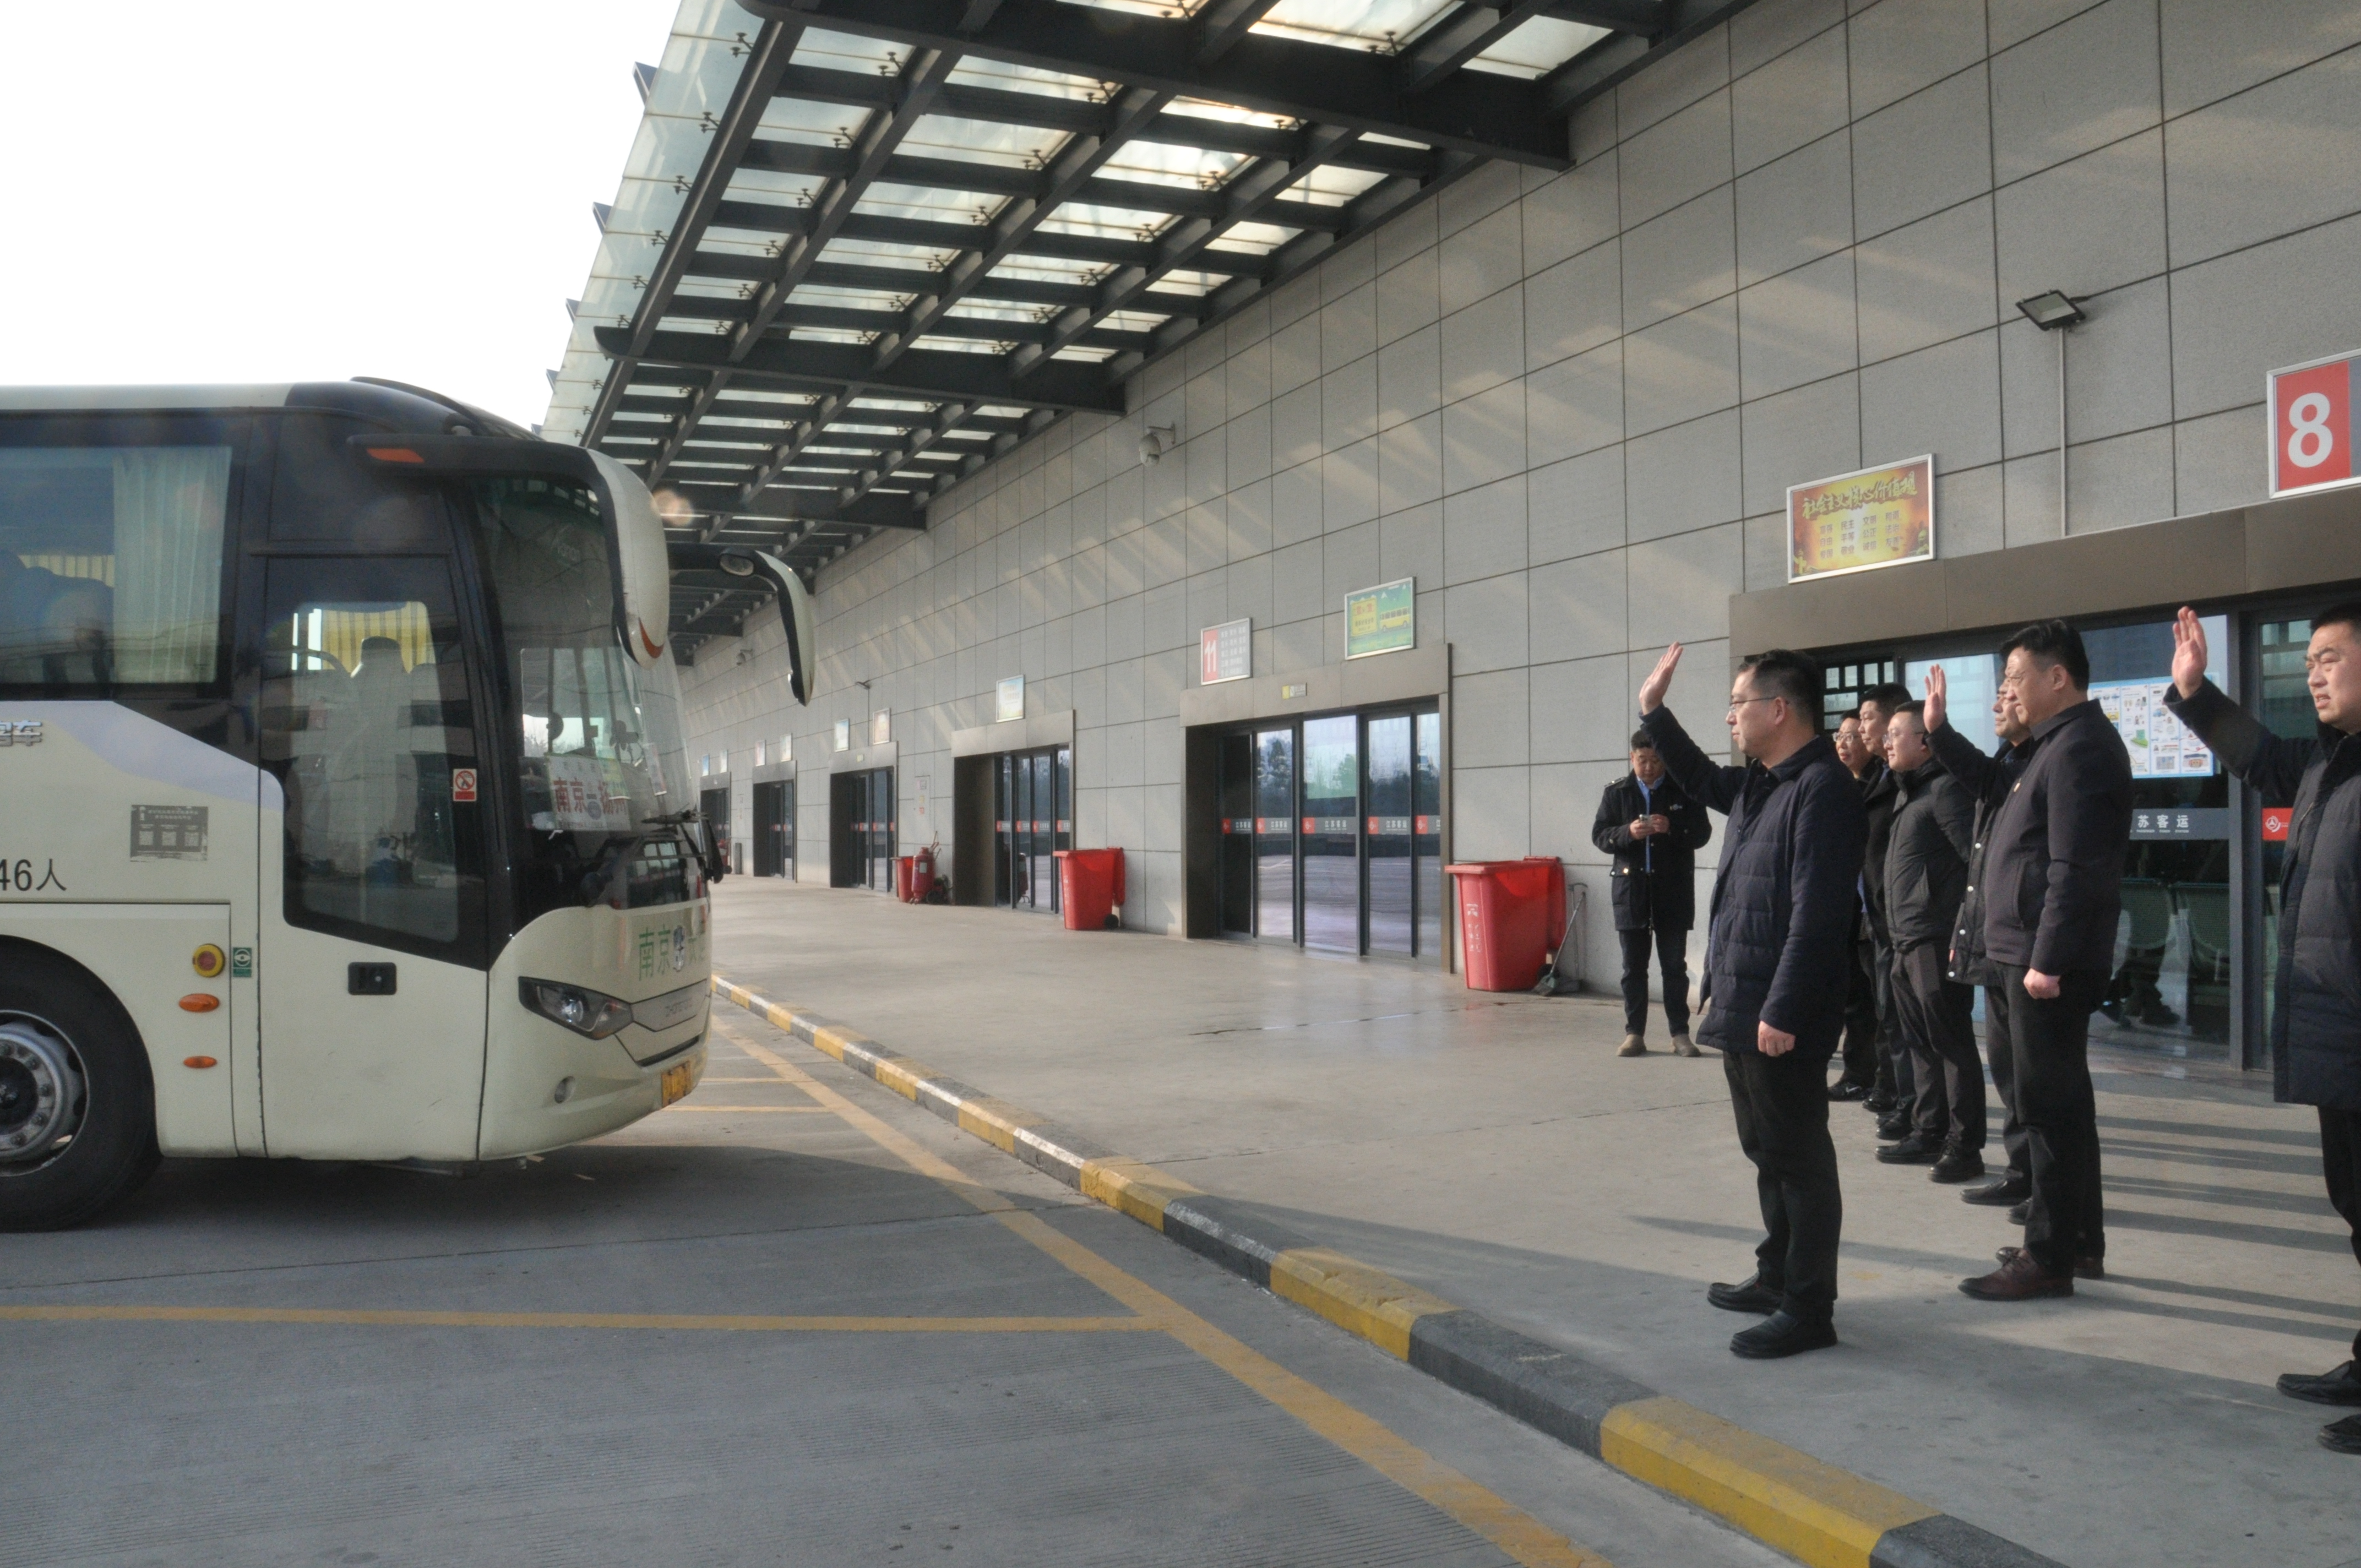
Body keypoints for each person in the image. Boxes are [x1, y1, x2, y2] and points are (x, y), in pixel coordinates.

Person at [2162, 603, 2361, 1455]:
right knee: (2355, 1205)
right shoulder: (2327, 764)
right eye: (2309, 660)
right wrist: (2196, 693)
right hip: (2337, 1030)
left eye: (2331, 658)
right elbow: (2260, 759)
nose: (2314, 674)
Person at [1637, 642, 1865, 1358]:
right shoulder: (1763, 783)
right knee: (1766, 1150)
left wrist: (1784, 1009)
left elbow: (1818, 917)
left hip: (1781, 1010)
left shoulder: (1822, 790)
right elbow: (1701, 775)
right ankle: (1777, 1275)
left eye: (1738, 703)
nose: (1731, 717)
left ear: (1779, 708)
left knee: (1799, 1159)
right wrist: (1654, 712)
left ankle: (1809, 1307)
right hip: (1744, 1000)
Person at [1935, 620, 2130, 1300]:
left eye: (2016, 678)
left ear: (2057, 677)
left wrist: (2046, 959)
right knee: (2058, 1107)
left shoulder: (2079, 749)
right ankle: (2075, 1241)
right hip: (2023, 954)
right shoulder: (2049, 747)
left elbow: (2074, 867)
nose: (2008, 691)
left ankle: (2047, 1256)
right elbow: (1994, 791)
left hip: (2043, 963)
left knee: (2048, 1110)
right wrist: (1940, 733)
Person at [1924, 682, 2036, 1211]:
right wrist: (1965, 937)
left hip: (2030, 953)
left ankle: (2044, 1186)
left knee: (2034, 1080)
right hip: (1994, 944)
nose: (1997, 703)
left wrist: (1938, 732)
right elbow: (1980, 867)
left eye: (2010, 691)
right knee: (2009, 1071)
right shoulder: (2009, 763)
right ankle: (2022, 1172)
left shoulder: (2051, 761)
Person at [1874, 700, 1985, 1182]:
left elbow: (1973, 866)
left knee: (1950, 1043)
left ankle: (1965, 1146)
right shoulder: (1909, 792)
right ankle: (1929, 1129)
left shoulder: (1945, 791)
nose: (1886, 743)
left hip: (1936, 939)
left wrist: (1964, 931)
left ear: (1925, 742)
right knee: (1919, 1042)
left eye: (1895, 734)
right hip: (1906, 937)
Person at [1592, 730, 1713, 1057]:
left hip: (1672, 891)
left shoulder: (1682, 789)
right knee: (1633, 968)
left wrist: (1672, 828)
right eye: (1642, 760)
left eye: (1655, 761)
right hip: (1631, 892)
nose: (1648, 767)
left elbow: (1702, 834)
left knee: (1674, 967)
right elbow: (1600, 835)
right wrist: (1627, 833)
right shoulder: (1617, 792)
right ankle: (1634, 1033)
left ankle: (1680, 1034)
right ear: (1632, 758)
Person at [1856, 684, 1914, 1130]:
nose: (1862, 728)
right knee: (1886, 1015)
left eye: (1868, 717)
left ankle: (1915, 1109)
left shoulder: (1904, 782)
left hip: (1903, 919)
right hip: (1877, 917)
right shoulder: (1878, 776)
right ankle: (1899, 1095)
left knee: (1905, 1022)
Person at [1829, 715, 1882, 1101]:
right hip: (1845, 908)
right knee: (1853, 998)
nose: (1845, 743)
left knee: (1872, 1001)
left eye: (1853, 735)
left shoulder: (1882, 785)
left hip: (1873, 910)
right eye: (1840, 736)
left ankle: (1871, 1077)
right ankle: (1861, 1073)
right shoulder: (1836, 785)